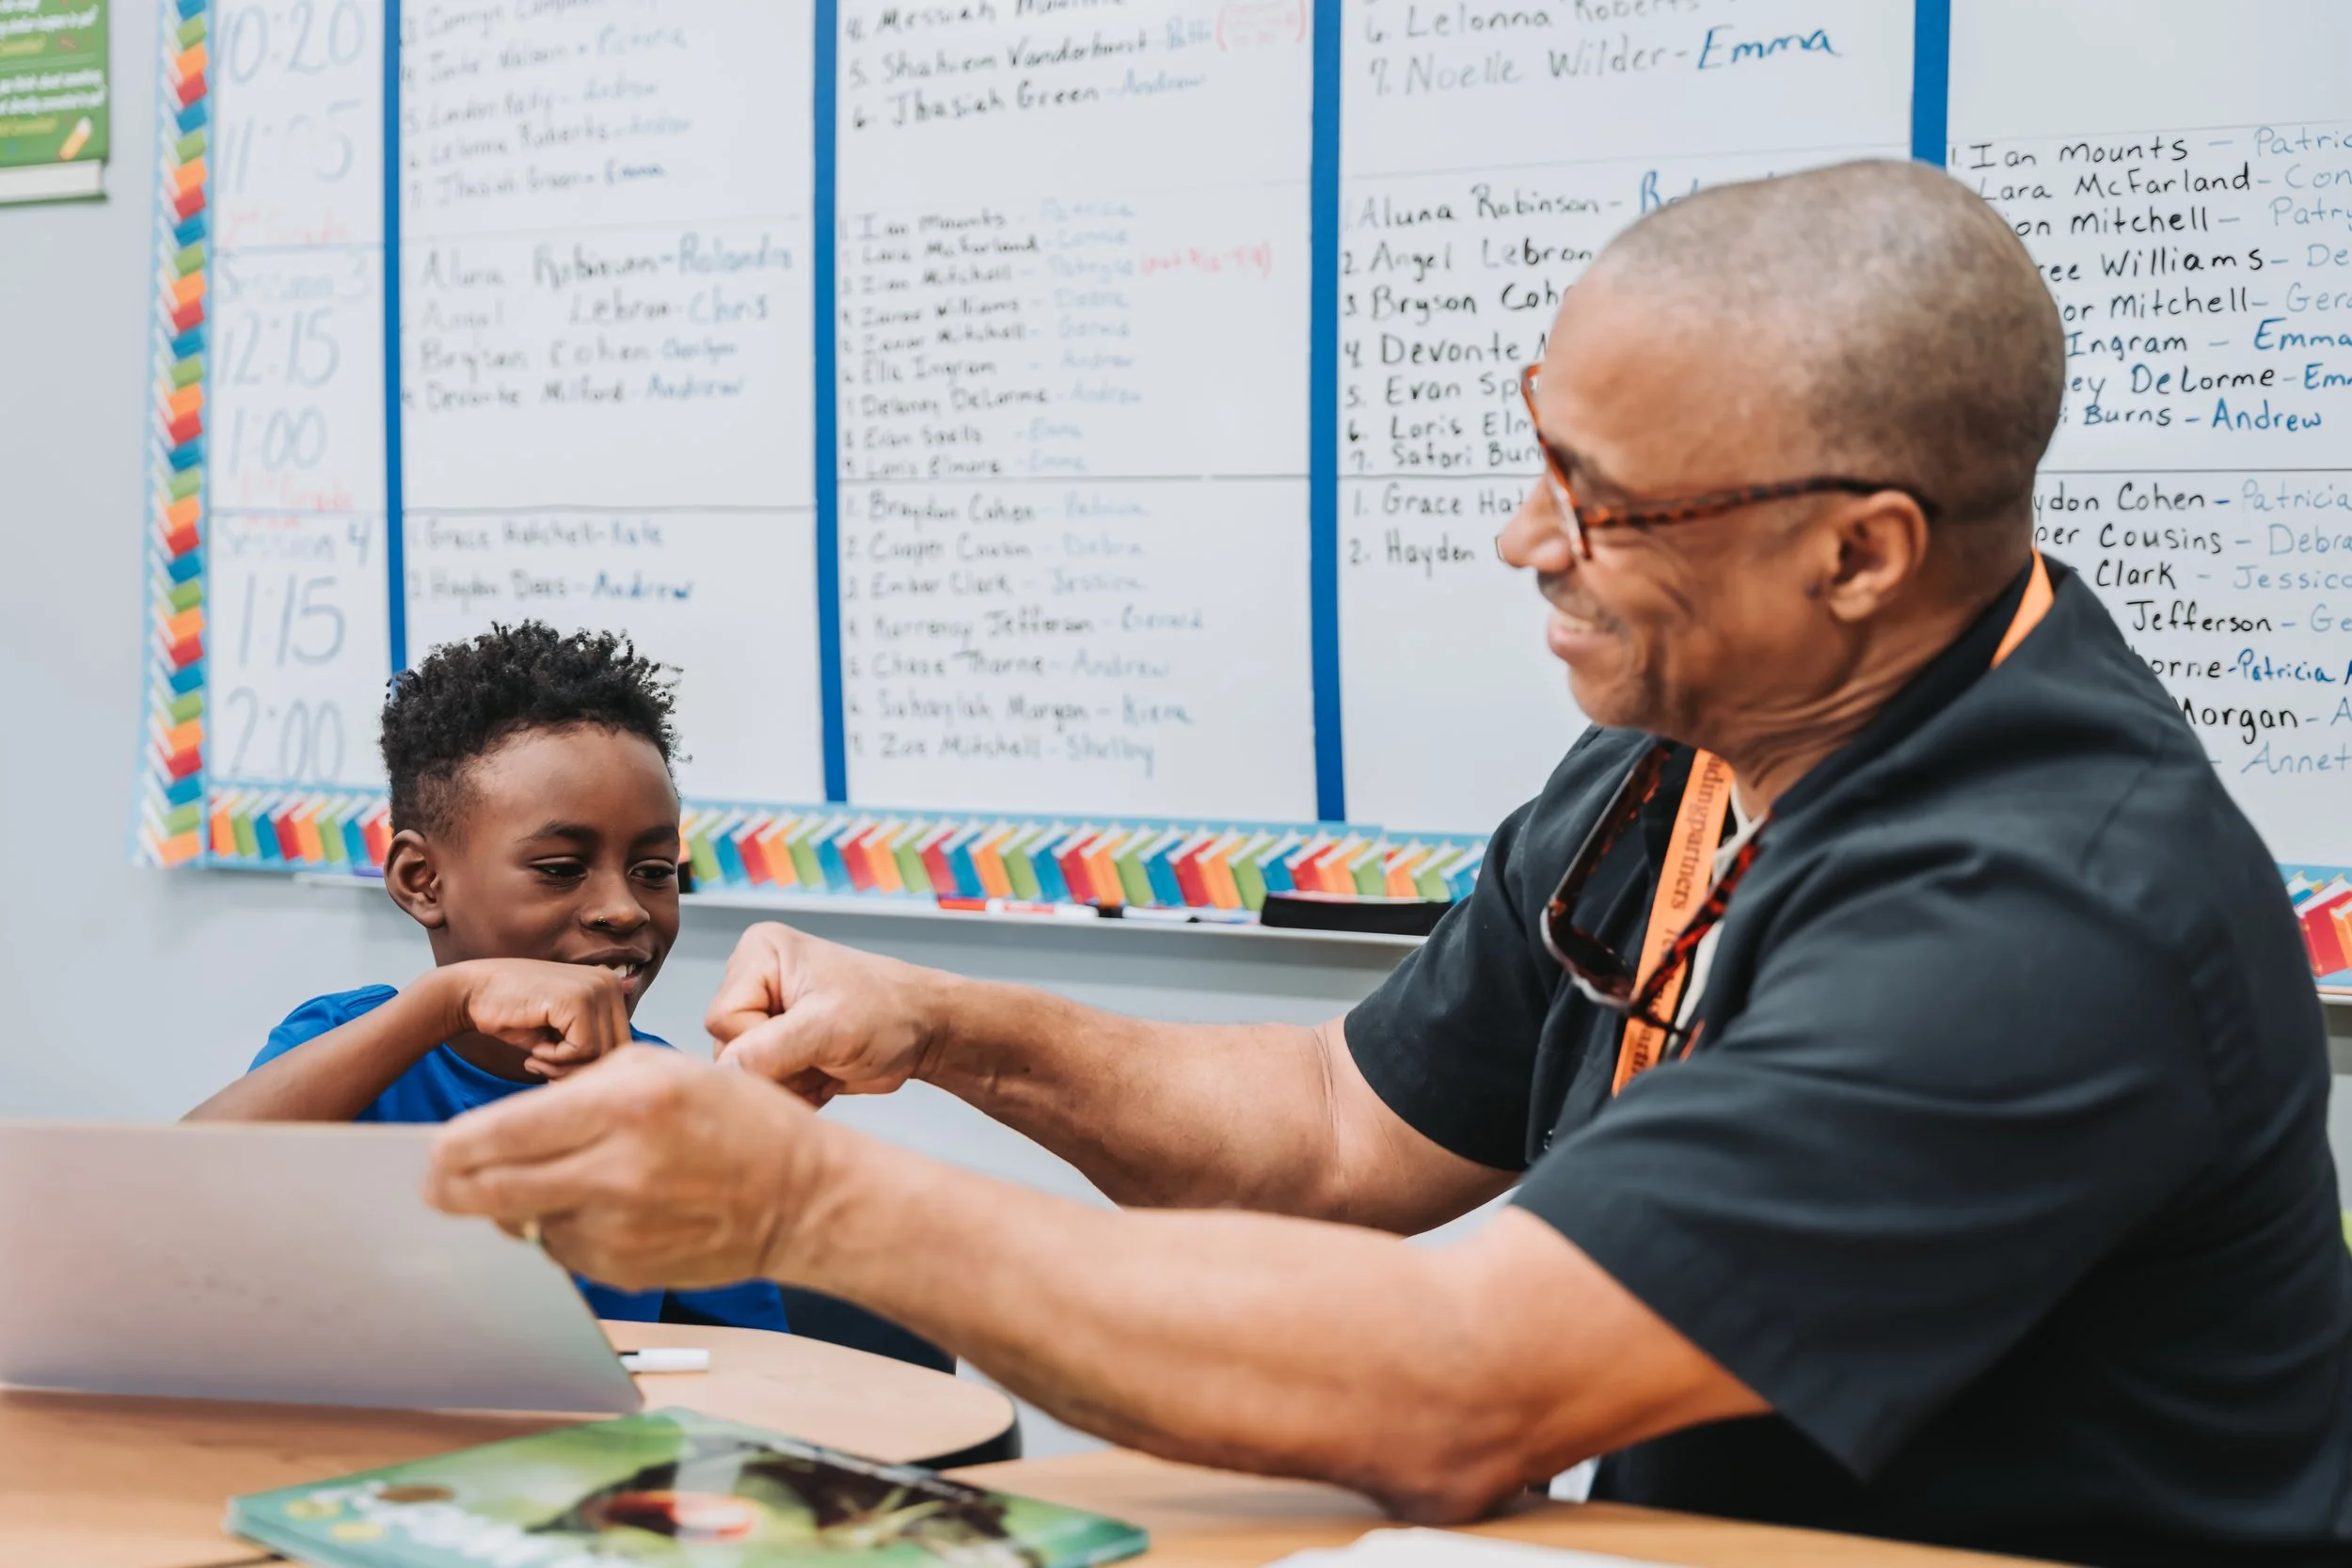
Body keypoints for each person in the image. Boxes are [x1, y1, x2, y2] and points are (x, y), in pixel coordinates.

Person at [421, 163, 2352, 1567]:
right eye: (1537, 455)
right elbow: (1343, 1126)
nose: (1525, 539)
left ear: (1856, 554)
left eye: (1601, 503)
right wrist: (939, 1025)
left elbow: (1450, 1385)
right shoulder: (1675, 762)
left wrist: (813, 1201)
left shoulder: (2040, 912)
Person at [186, 623, 789, 1333]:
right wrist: (446, 1003)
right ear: (422, 880)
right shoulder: (348, 1048)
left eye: (654, 871)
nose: (625, 909)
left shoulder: (676, 1110)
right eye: (562, 869)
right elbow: (165, 1202)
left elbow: (755, 1362)